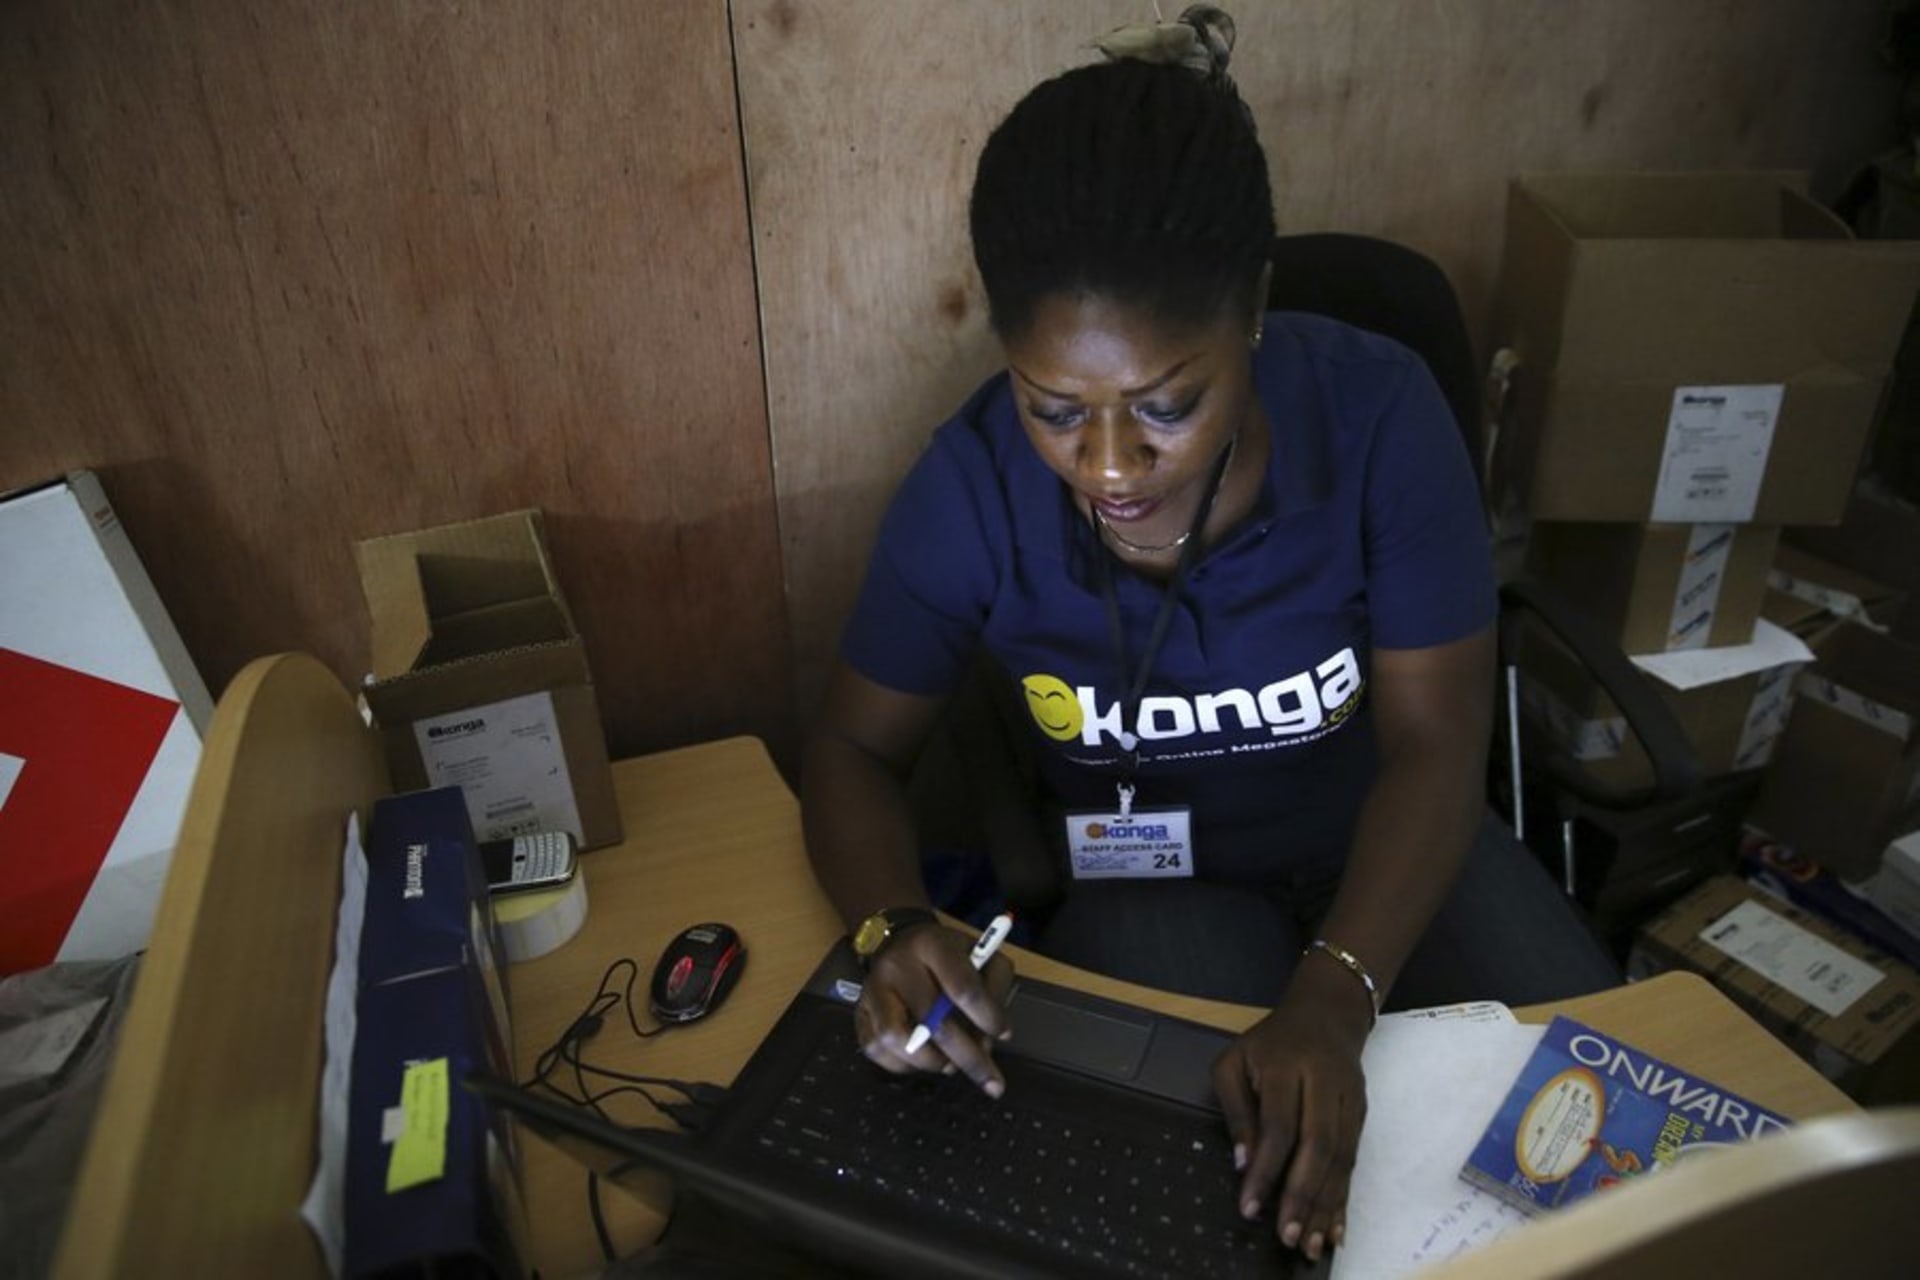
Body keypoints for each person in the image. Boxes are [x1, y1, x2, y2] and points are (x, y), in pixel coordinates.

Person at [799, 5, 1620, 1265]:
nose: (1111, 465)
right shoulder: (969, 492)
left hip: (1394, 838)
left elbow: (1437, 740)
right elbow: (852, 752)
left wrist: (1338, 992)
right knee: (1187, 1214)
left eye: (1168, 404)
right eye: (1054, 407)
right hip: (1158, 882)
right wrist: (890, 928)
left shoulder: (1379, 421)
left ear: (1256, 314)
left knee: (1619, 1148)